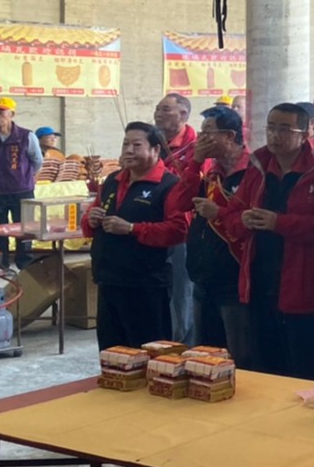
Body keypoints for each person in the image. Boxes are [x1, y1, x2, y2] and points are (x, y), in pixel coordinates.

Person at [220, 103, 314, 378]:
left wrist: (280, 223)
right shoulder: (258, 168)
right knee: (264, 370)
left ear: (305, 134)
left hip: (306, 288)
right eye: (271, 128)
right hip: (259, 285)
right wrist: (243, 220)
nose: (275, 136)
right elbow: (230, 216)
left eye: (284, 129)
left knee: (304, 371)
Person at [83, 123, 189, 350]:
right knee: (112, 353)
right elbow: (91, 216)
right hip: (108, 280)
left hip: (145, 284)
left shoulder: (169, 185)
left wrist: (132, 228)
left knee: (148, 352)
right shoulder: (113, 180)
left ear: (155, 150)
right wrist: (91, 219)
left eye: (137, 145)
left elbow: (179, 230)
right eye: (125, 144)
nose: (129, 150)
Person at [178, 105, 251, 357]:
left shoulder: (252, 171)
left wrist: (218, 213)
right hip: (203, 277)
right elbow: (180, 203)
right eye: (201, 132)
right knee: (204, 356)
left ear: (229, 136)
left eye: (208, 132)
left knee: (238, 356)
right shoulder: (211, 173)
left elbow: (251, 220)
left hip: (235, 281)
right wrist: (195, 162)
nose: (201, 139)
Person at [153, 92, 197, 338]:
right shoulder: (154, 143)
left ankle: (182, 342)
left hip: (183, 227)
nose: (158, 114)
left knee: (182, 289)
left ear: (183, 114)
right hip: (154, 223)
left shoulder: (195, 148)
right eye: (158, 109)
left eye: (165, 109)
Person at [0, 98, 42, 272]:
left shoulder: (26, 136)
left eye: (1, 113)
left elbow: (37, 161)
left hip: (22, 191)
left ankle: (25, 264)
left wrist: (24, 176)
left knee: (25, 228)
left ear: (12, 114)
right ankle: (0, 264)